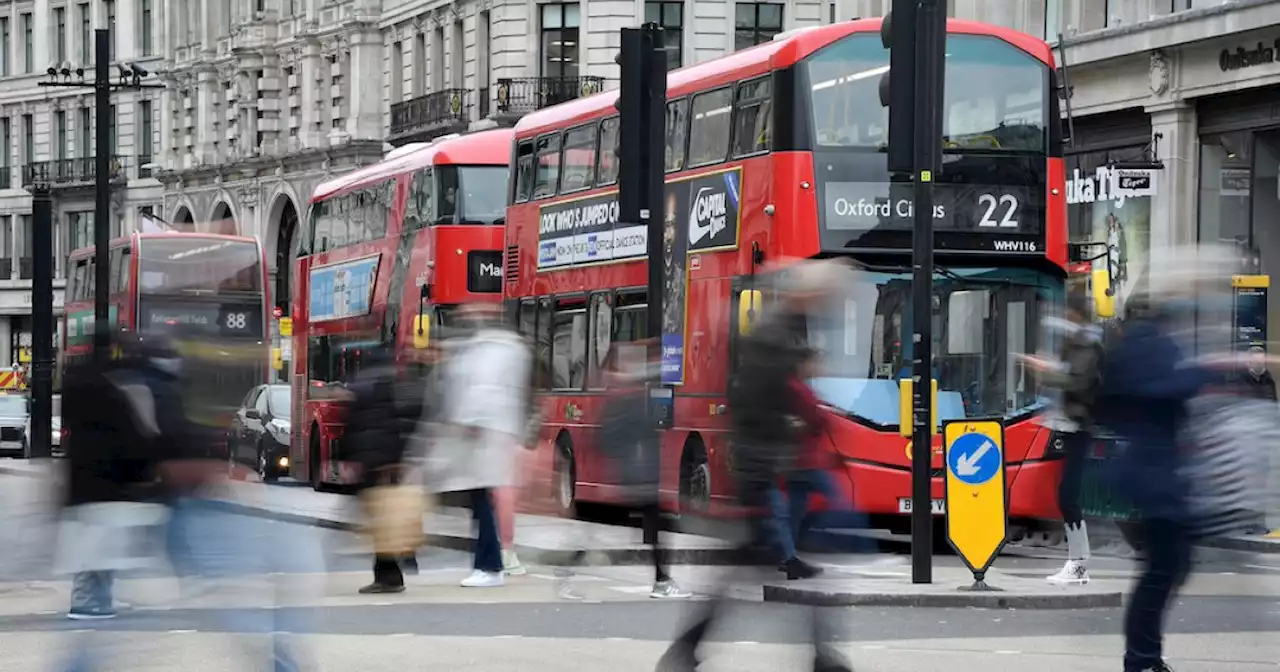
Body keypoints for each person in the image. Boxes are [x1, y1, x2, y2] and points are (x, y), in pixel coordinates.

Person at [657, 259, 854, 672]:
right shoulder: (775, 336)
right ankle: (820, 658)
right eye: (828, 294)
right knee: (779, 569)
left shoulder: (784, 329)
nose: (831, 303)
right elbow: (761, 403)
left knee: (754, 570)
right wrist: (798, 431)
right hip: (763, 472)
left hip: (767, 469)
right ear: (809, 293)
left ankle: (689, 649)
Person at [1096, 293, 1209, 672]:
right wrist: (1208, 370)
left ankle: (1144, 658)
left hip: (1147, 473)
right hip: (1153, 476)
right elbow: (1171, 388)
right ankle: (1142, 660)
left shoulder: (1130, 347)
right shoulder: (1149, 347)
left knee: (1165, 567)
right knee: (1164, 568)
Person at [557, 342, 691, 600]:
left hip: (630, 477)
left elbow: (609, 439)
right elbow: (614, 438)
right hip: (635, 478)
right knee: (645, 530)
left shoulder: (622, 397)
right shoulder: (628, 399)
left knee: (619, 529)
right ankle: (661, 582)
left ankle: (661, 580)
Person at [420, 303, 532, 588]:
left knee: (483, 502)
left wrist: (465, 422)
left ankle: (490, 565)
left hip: (483, 439)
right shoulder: (503, 348)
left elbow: (482, 393)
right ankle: (489, 563)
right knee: (482, 502)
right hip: (490, 437)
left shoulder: (490, 351)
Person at [1029, 295, 1104, 585]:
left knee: (1068, 496)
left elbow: (1077, 382)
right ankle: (1077, 562)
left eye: (1069, 314)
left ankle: (1079, 564)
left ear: (1077, 315)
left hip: (1080, 426)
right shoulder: (1077, 344)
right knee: (1066, 495)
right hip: (1072, 424)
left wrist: (1047, 372)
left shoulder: (1088, 346)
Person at [346, 344, 420, 594]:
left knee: (379, 520)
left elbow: (354, 425)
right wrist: (403, 458)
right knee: (391, 515)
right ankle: (399, 562)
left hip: (372, 462)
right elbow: (410, 421)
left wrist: (349, 458)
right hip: (391, 462)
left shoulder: (363, 387)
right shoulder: (402, 387)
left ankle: (389, 574)